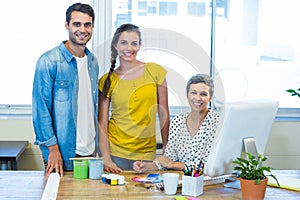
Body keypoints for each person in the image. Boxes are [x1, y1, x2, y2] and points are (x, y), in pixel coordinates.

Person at [32, 3, 99, 176]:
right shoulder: (48, 61)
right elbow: (41, 110)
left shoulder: (93, 62)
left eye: (87, 24)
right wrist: (52, 148)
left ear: (92, 26)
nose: (82, 29)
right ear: (67, 25)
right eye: (77, 24)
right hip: (61, 152)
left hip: (90, 151)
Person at [98, 24, 170, 173]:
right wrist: (106, 157)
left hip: (146, 154)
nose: (128, 48)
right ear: (115, 45)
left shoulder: (155, 72)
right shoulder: (107, 80)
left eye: (134, 43)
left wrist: (166, 151)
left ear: (139, 46)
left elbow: (164, 114)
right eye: (123, 42)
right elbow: (102, 123)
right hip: (115, 153)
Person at [133, 73, 220, 173]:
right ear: (187, 95)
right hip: (180, 181)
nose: (197, 98)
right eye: (193, 93)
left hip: (206, 183)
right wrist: (147, 166)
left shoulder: (216, 121)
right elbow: (168, 159)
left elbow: (209, 165)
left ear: (210, 98)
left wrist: (173, 165)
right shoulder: (178, 121)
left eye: (203, 94)